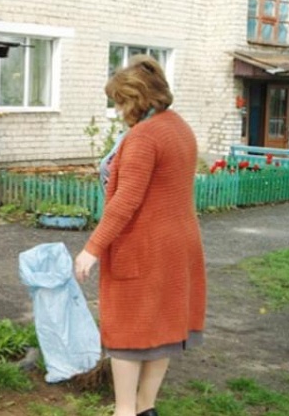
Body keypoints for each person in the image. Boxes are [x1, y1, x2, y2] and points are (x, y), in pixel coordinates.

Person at [73, 55, 206, 416]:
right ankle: (146, 407)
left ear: (137, 99)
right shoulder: (178, 126)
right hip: (177, 245)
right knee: (162, 328)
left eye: (120, 103)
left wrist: (92, 249)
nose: (118, 111)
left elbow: (126, 200)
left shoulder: (145, 137)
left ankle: (125, 410)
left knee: (127, 333)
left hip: (144, 246)